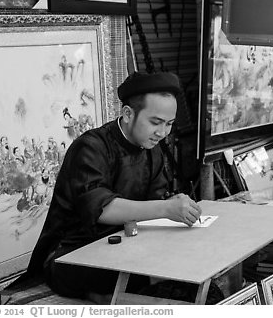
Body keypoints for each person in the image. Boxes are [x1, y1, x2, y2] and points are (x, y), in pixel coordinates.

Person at [19, 71, 202, 300]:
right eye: (155, 122)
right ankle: (104, 296)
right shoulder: (90, 147)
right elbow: (102, 208)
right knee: (135, 274)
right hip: (72, 253)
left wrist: (171, 204)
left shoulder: (152, 151)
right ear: (127, 113)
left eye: (169, 124)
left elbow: (154, 205)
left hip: (124, 244)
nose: (163, 133)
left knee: (187, 259)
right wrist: (165, 209)